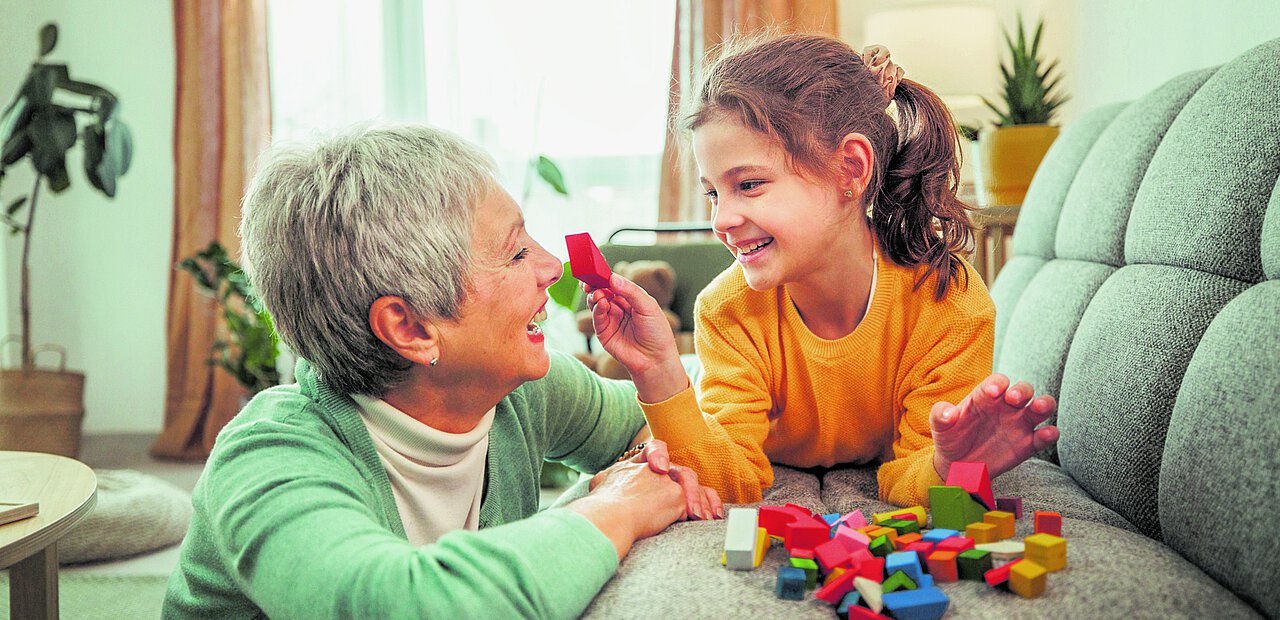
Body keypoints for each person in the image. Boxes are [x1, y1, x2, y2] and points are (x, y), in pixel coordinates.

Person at [163, 124, 722, 619]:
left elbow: (663, 436)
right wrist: (613, 507)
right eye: (516, 253)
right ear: (410, 329)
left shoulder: (521, 390)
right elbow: (407, 604)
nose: (554, 266)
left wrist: (657, 375)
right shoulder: (268, 459)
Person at [585, 35, 1060, 507]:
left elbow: (908, 476)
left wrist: (948, 464)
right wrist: (660, 374)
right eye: (713, 192)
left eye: (748, 185)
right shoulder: (725, 311)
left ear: (850, 169)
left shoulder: (947, 301)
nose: (721, 219)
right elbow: (728, 480)